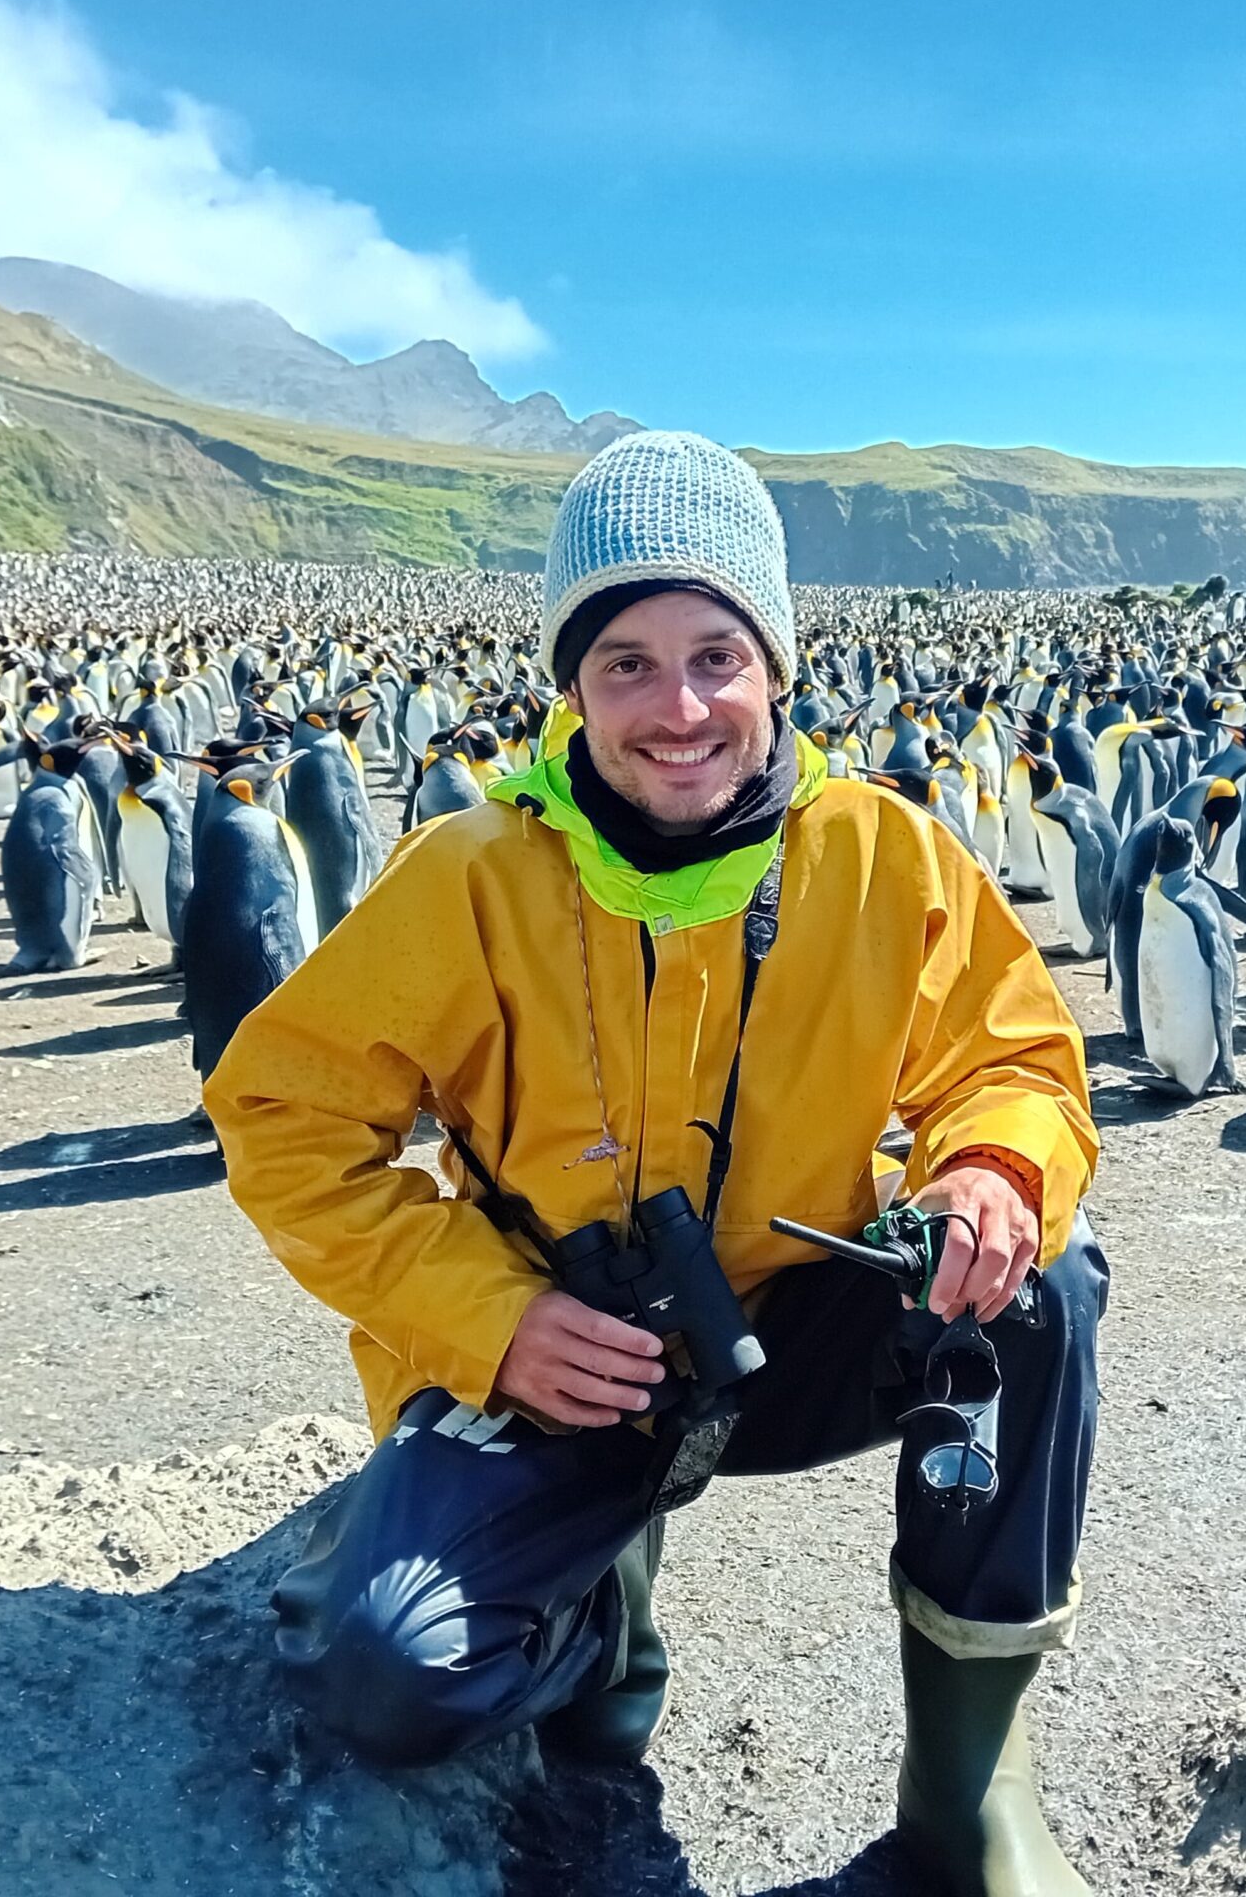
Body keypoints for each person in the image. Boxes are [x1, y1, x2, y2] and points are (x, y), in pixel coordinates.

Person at [207, 430, 1104, 1896]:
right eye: (624, 660)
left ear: (777, 669)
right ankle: (582, 1663)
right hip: (566, 1357)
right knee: (389, 1679)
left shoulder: (883, 857)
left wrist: (990, 1171)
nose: (676, 707)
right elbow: (286, 1117)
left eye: (714, 655)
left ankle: (972, 1796)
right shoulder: (473, 875)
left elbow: (1015, 1062)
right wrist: (489, 1319)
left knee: (1038, 1285)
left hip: (785, 1331)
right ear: (571, 684)